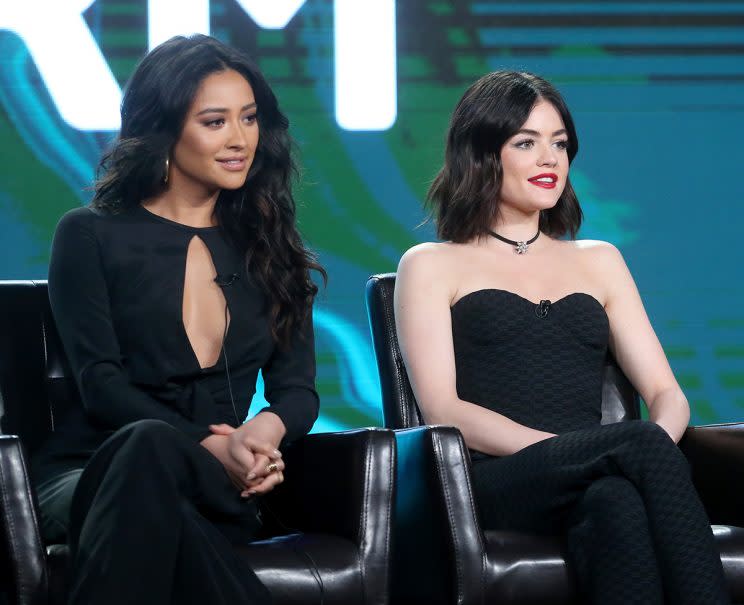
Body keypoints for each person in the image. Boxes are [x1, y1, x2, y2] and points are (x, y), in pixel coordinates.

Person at [394, 70, 729, 604]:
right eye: (526, 142)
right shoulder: (432, 264)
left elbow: (668, 395)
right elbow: (444, 408)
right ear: (482, 153)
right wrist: (595, 450)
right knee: (631, 453)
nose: (550, 159)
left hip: (604, 474)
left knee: (616, 501)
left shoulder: (600, 260)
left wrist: (639, 457)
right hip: (500, 477)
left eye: (560, 143)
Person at [31, 34, 325, 605]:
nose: (240, 139)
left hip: (218, 477)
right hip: (90, 471)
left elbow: (296, 390)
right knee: (148, 450)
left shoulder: (271, 248)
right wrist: (202, 443)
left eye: (249, 119)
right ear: (165, 131)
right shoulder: (88, 234)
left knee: (166, 490)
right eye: (215, 122)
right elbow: (101, 386)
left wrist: (261, 436)